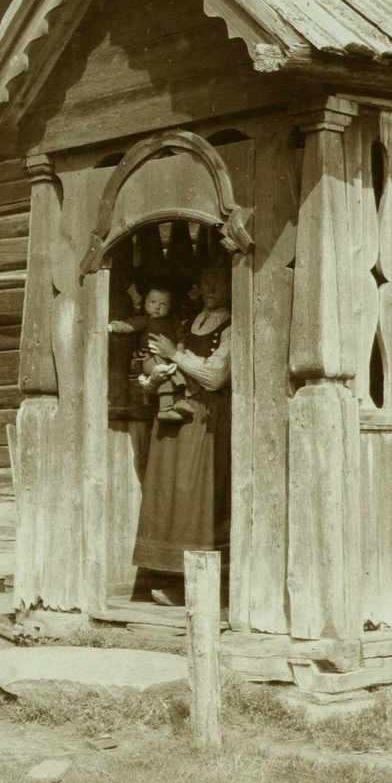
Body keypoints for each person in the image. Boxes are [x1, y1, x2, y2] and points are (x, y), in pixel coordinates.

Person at [131, 255, 232, 607]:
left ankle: (202, 587)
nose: (212, 290)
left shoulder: (231, 326)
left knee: (197, 497)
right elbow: (163, 366)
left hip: (206, 417)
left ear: (230, 287)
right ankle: (164, 577)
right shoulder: (190, 322)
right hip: (175, 415)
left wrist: (176, 354)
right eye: (207, 284)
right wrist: (154, 378)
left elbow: (216, 377)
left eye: (219, 284)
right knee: (167, 491)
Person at [107, 285, 192, 421]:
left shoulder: (174, 322)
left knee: (179, 368)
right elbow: (128, 326)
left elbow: (181, 337)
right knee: (164, 370)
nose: (157, 307)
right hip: (151, 358)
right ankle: (165, 408)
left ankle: (179, 400)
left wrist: (179, 351)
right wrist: (112, 326)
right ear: (145, 302)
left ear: (170, 306)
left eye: (163, 304)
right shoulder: (144, 320)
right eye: (153, 302)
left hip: (170, 356)